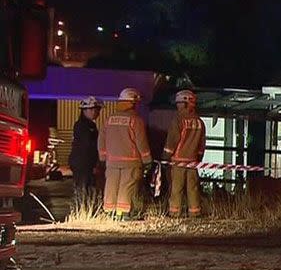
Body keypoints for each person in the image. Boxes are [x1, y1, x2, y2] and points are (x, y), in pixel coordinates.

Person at [98, 88, 152, 221]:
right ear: (133, 103)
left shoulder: (109, 119)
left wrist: (103, 157)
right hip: (131, 161)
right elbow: (141, 142)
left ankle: (109, 212)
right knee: (127, 187)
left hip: (111, 162)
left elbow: (101, 140)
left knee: (111, 186)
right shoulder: (136, 120)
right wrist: (147, 160)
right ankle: (124, 214)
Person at [163, 90, 206, 218]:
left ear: (185, 103)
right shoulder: (199, 122)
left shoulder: (178, 120)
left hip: (178, 161)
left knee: (176, 188)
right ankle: (195, 212)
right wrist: (198, 158)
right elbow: (202, 145)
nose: (178, 106)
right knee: (193, 188)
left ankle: (174, 213)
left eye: (179, 103)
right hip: (193, 161)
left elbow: (172, 141)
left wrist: (165, 157)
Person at [68, 96, 103, 213]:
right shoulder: (83, 126)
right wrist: (93, 164)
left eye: (97, 110)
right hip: (83, 164)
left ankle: (85, 210)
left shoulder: (89, 126)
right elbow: (88, 147)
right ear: (85, 110)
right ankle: (81, 211)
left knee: (86, 189)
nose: (96, 112)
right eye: (94, 109)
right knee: (83, 188)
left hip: (83, 163)